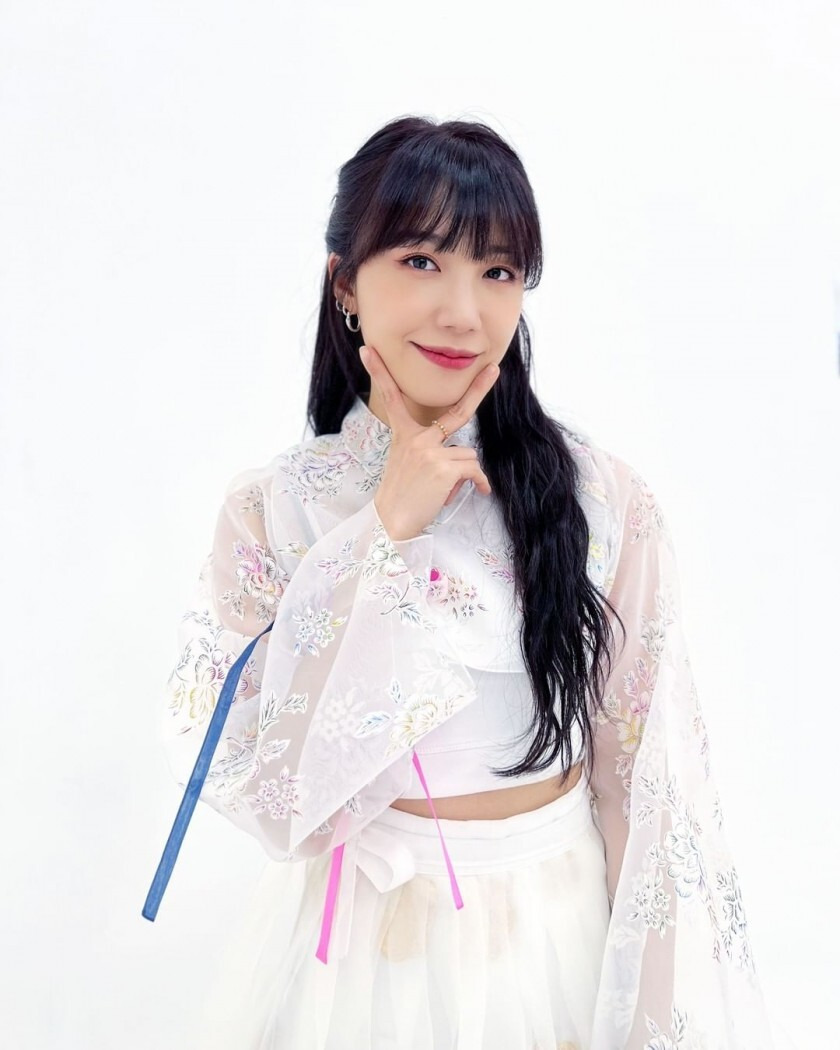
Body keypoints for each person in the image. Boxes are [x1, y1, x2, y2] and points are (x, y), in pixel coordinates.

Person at [153, 116, 783, 1048]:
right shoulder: (273, 510)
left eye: (497, 271)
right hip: (355, 961)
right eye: (420, 260)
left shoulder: (601, 500)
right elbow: (270, 795)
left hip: (553, 941)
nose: (462, 312)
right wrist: (380, 533)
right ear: (345, 284)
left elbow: (651, 787)